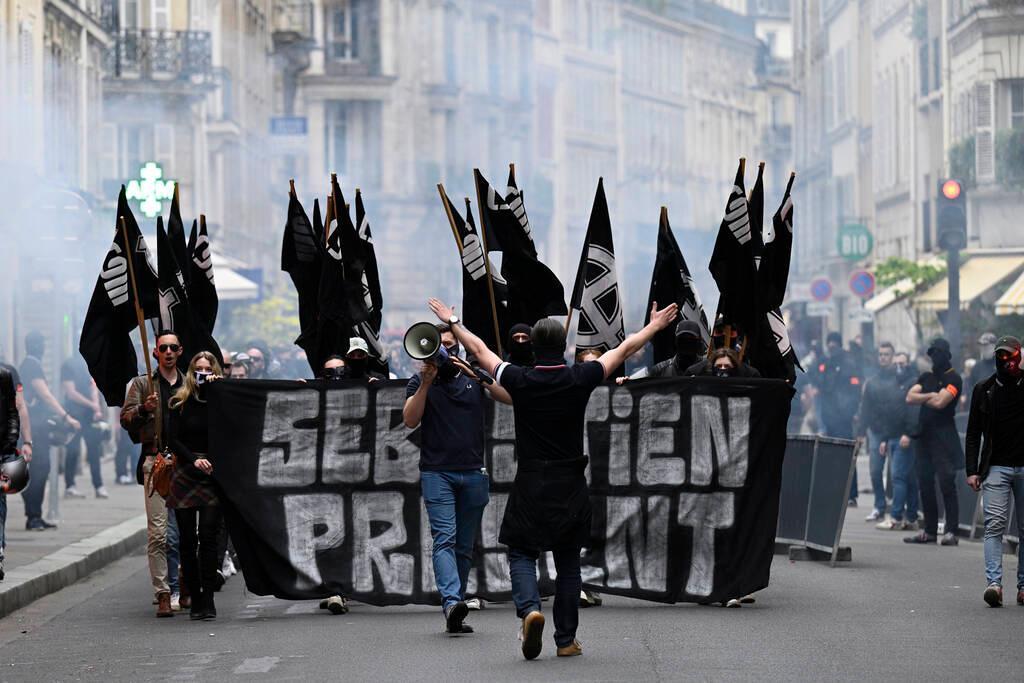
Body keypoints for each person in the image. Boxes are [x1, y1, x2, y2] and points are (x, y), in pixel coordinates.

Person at [428, 296, 679, 660]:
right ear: (563, 346)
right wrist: (655, 326)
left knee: (521, 551)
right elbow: (625, 348)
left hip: (531, 479)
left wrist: (452, 321)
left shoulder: (519, 378)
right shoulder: (580, 377)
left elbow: (479, 350)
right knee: (568, 561)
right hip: (570, 481)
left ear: (531, 345)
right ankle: (565, 640)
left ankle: (530, 609)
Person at [403, 323, 512, 634]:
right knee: (445, 538)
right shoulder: (418, 382)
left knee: (464, 546)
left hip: (474, 473)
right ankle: (451, 601)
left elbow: (510, 396)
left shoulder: (472, 379)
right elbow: (410, 419)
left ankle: (457, 608)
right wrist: (425, 383)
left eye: (450, 347)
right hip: (437, 473)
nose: (444, 353)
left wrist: (473, 372)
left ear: (458, 350)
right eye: (440, 348)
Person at [120, 331, 185, 617]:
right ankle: (162, 592)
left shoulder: (189, 384)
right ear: (156, 352)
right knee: (158, 534)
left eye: (173, 347)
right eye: (163, 348)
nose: (168, 352)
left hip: (185, 465)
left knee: (183, 533)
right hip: (155, 463)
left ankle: (185, 584)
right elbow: (125, 419)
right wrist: (145, 410)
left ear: (180, 351)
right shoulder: (142, 384)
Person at [964, 336, 1024, 607]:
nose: (1004, 361)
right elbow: (973, 433)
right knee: (994, 527)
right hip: (996, 467)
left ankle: (1023, 587)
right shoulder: (984, 388)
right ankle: (994, 585)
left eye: (1009, 356)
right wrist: (972, 470)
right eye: (1000, 356)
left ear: (1019, 356)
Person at [168, 351, 225, 620]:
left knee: (209, 537)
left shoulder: (223, 400)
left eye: (208, 368)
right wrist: (194, 461)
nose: (203, 373)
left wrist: (217, 390)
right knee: (187, 540)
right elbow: (173, 439)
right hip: (186, 472)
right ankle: (197, 596)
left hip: (213, 472)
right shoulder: (180, 402)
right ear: (192, 371)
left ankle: (210, 598)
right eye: (198, 368)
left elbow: (233, 432)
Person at [904, 338, 963, 546]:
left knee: (947, 483)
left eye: (938, 353)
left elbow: (940, 403)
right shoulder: (927, 376)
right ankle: (929, 531)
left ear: (946, 355)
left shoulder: (954, 379)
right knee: (925, 483)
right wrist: (930, 394)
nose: (934, 358)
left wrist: (927, 397)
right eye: (932, 354)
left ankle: (951, 531)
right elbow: (910, 397)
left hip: (944, 437)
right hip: (924, 436)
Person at [20, 331, 80, 530]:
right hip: (33, 430)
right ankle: (33, 516)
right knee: (40, 470)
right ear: (37, 347)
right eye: (42, 344)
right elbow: (44, 395)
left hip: (37, 427)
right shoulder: (31, 365)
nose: (44, 349)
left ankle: (34, 512)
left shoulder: (28, 365)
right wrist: (66, 417)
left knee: (40, 470)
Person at [812, 332, 862, 505]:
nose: (831, 346)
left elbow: (855, 390)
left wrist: (850, 412)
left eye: (834, 343)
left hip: (843, 419)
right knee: (830, 456)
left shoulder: (849, 364)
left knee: (846, 456)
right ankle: (834, 492)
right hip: (828, 417)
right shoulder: (825, 363)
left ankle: (851, 494)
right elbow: (817, 381)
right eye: (829, 343)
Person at [873, 352, 920, 531]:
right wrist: (884, 438)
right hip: (892, 437)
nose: (899, 367)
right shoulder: (893, 384)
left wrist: (909, 433)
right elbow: (888, 413)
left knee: (899, 477)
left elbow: (913, 411)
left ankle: (895, 516)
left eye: (902, 363)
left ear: (909, 363)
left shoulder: (914, 383)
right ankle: (912, 516)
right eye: (896, 363)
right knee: (907, 478)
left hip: (904, 438)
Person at [857, 343, 903, 522]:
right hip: (876, 432)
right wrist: (861, 432)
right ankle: (879, 505)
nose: (883, 357)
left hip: (896, 432)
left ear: (892, 357)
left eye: (887, 354)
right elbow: (865, 409)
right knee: (875, 471)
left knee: (897, 474)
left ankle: (897, 508)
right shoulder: (872, 382)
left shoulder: (899, 380)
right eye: (881, 354)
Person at [61, 352, 107, 499]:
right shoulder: (68, 365)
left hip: (89, 415)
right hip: (74, 414)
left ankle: (99, 486)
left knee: (94, 451)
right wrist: (93, 405)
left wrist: (96, 407)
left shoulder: (88, 363)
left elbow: (93, 385)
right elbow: (71, 393)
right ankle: (70, 486)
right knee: (73, 450)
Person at [624, 320, 707, 380]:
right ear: (676, 342)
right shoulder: (660, 369)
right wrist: (625, 381)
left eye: (691, 340)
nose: (687, 343)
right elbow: (634, 381)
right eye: (682, 340)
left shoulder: (708, 368)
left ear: (699, 342)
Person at [0, 363, 22, 579]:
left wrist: (10, 443)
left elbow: (13, 411)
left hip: (1, 450)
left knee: (0, 501)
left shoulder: (5, 375)